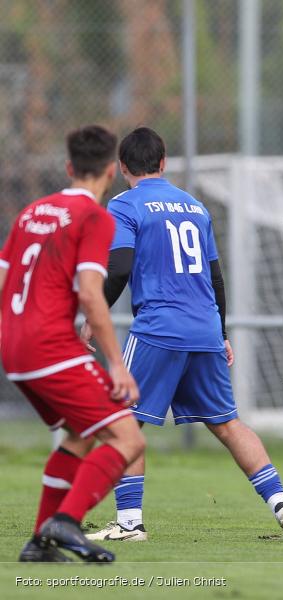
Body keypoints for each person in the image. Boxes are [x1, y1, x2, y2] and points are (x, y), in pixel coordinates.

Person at [83, 127, 283, 543]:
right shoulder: (195, 206)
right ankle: (281, 504)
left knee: (122, 421)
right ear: (164, 161)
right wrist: (221, 333)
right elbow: (216, 277)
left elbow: (118, 268)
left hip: (159, 327)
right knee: (227, 424)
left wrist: (91, 316)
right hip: (205, 327)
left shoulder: (124, 205)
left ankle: (130, 522)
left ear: (122, 168)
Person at [0, 125, 145, 562]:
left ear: (68, 167)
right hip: (49, 346)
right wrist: (117, 365)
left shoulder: (33, 211)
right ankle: (65, 522)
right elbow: (89, 294)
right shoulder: (95, 218)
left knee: (81, 433)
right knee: (128, 438)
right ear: (109, 171)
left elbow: (5, 278)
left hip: (14, 348)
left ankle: (39, 544)